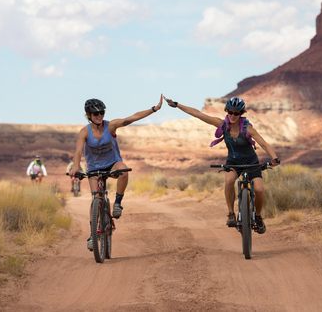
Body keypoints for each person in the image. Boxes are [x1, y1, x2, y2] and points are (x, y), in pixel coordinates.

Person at [163, 95, 279, 234]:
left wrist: (274, 158)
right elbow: (198, 114)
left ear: (240, 114)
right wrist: (177, 105)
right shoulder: (222, 125)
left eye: (236, 113)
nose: (233, 115)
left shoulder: (248, 128)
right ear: (227, 111)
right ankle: (231, 213)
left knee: (259, 190)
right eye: (230, 112)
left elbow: (264, 144)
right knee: (229, 181)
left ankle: (258, 217)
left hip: (251, 162)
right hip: (233, 161)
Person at [70, 96, 163, 251]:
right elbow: (78, 151)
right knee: (96, 198)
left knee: (124, 171)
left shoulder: (111, 126)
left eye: (101, 113)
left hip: (112, 163)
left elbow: (132, 118)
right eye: (95, 114)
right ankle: (93, 235)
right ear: (88, 115)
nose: (99, 116)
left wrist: (154, 109)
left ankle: (118, 203)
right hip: (94, 169)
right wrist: (76, 167)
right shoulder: (84, 132)